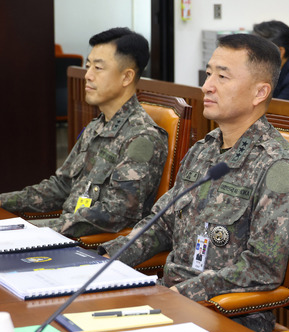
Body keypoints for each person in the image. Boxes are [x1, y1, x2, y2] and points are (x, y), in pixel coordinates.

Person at [99, 34, 289, 332]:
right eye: (209, 73)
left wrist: (182, 294)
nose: (207, 86)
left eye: (222, 77)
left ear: (259, 92)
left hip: (225, 317)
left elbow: (263, 267)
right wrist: (110, 258)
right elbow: (162, 224)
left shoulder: (279, 166)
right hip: (171, 302)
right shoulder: (204, 149)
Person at [0, 27, 168, 238]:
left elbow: (116, 214)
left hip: (92, 246)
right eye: (88, 66)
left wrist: (44, 232)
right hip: (65, 232)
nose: (87, 75)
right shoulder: (97, 126)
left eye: (98, 68)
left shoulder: (142, 138)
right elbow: (61, 186)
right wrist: (3, 201)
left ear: (126, 77)